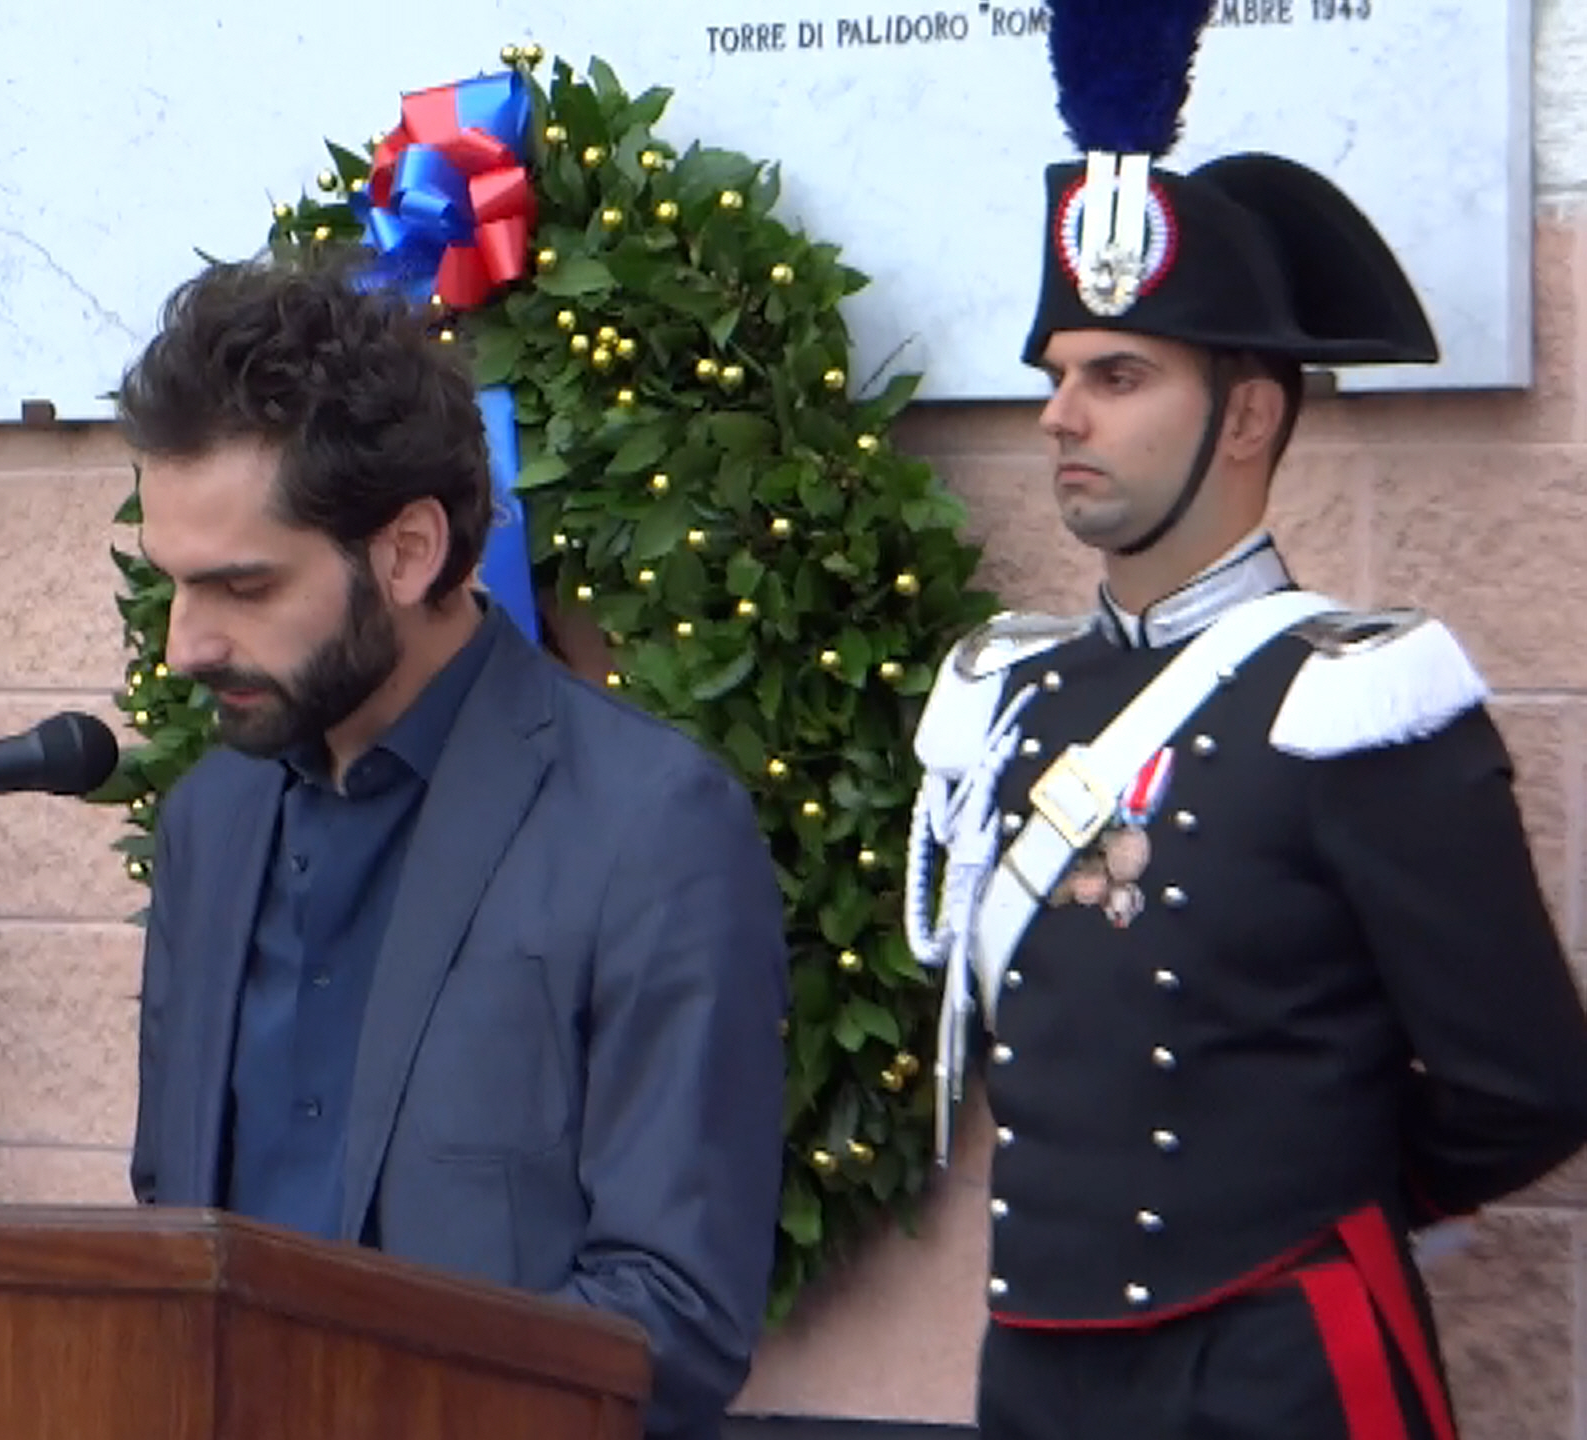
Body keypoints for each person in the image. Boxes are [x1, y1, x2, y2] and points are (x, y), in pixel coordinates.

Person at [906, 4, 1587, 1435]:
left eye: (1118, 377)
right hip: (1039, 1367)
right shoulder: (1015, 699)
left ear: (1251, 417)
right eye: (1057, 376)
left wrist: (1308, 1199)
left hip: (1277, 1367)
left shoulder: (1357, 700)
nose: (1061, 417)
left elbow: (1526, 1083)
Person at [116, 254, 791, 1440]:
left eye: (242, 587)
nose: (186, 647)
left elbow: (669, 1318)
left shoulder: (649, 826)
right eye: (175, 586)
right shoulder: (209, 826)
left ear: (409, 551)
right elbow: (172, 1218)